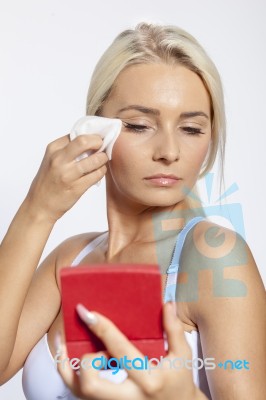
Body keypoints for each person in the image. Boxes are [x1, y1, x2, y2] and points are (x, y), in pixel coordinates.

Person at [0, 22, 265, 400]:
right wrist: (36, 212)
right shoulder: (70, 259)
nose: (169, 151)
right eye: (140, 125)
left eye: (191, 128)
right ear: (95, 128)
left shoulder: (212, 255)